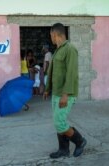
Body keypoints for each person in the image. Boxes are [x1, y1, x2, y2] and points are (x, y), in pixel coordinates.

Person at [43, 23, 86, 158]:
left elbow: (71, 73)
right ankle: (63, 150)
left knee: (60, 123)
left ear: (56, 34)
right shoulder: (58, 50)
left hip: (65, 94)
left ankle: (80, 141)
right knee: (58, 122)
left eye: (51, 35)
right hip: (56, 93)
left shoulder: (70, 49)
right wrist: (47, 89)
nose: (51, 38)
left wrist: (65, 94)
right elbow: (52, 71)